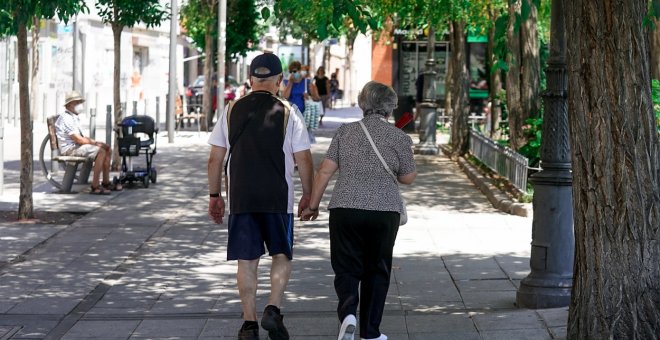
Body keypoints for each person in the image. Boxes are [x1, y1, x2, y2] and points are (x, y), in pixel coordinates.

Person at [207, 52, 314, 340]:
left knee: (247, 260)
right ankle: (273, 309)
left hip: (241, 197)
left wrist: (215, 194)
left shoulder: (230, 110)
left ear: (251, 80)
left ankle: (249, 323)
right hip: (278, 197)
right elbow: (303, 159)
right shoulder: (289, 111)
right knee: (281, 254)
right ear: (279, 80)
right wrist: (309, 196)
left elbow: (215, 159)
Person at [301, 81, 417, 340]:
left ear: (362, 104)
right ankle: (370, 332)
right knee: (377, 269)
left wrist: (312, 206)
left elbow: (325, 172)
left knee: (346, 267)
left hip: (345, 209)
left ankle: (348, 315)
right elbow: (408, 177)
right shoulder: (398, 137)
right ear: (390, 108)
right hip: (384, 211)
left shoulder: (345, 132)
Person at [55, 91, 122, 195]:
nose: (79, 105)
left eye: (79, 102)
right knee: (101, 151)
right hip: (70, 149)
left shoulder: (73, 117)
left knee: (107, 149)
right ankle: (95, 186)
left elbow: (81, 138)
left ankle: (106, 182)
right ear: (68, 105)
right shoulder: (66, 118)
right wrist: (96, 144)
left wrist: (96, 142)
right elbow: (78, 139)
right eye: (76, 102)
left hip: (76, 146)